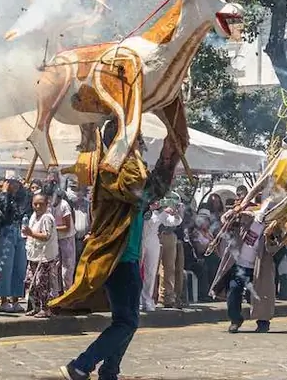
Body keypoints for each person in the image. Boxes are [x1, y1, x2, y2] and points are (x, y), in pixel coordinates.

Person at [56, 123, 179, 380]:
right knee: (128, 321)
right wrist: (134, 149)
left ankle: (110, 370)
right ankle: (81, 365)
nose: (139, 145)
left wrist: (168, 157)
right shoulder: (110, 169)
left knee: (127, 320)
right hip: (117, 258)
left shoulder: (123, 169)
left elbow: (149, 192)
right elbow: (137, 188)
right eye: (135, 140)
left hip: (129, 256)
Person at [0, 172, 29, 312]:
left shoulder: (23, 197)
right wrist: (4, 193)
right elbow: (3, 213)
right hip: (5, 232)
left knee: (20, 266)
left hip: (19, 232)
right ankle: (4, 300)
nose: (14, 185)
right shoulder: (1, 197)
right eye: (11, 182)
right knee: (5, 266)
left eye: (16, 182)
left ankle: (16, 299)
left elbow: (23, 211)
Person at [24, 192, 59, 318]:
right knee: (31, 282)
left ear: (46, 204)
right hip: (34, 255)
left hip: (45, 257)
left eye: (41, 204)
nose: (38, 206)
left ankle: (46, 308)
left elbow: (46, 236)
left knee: (42, 283)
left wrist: (31, 233)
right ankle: (35, 307)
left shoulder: (47, 218)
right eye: (35, 204)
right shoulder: (34, 216)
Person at [52, 190, 76, 293]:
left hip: (66, 238)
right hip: (55, 239)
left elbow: (67, 227)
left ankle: (67, 291)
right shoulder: (49, 205)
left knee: (67, 267)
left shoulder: (64, 205)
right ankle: (56, 292)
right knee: (55, 266)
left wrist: (52, 228)